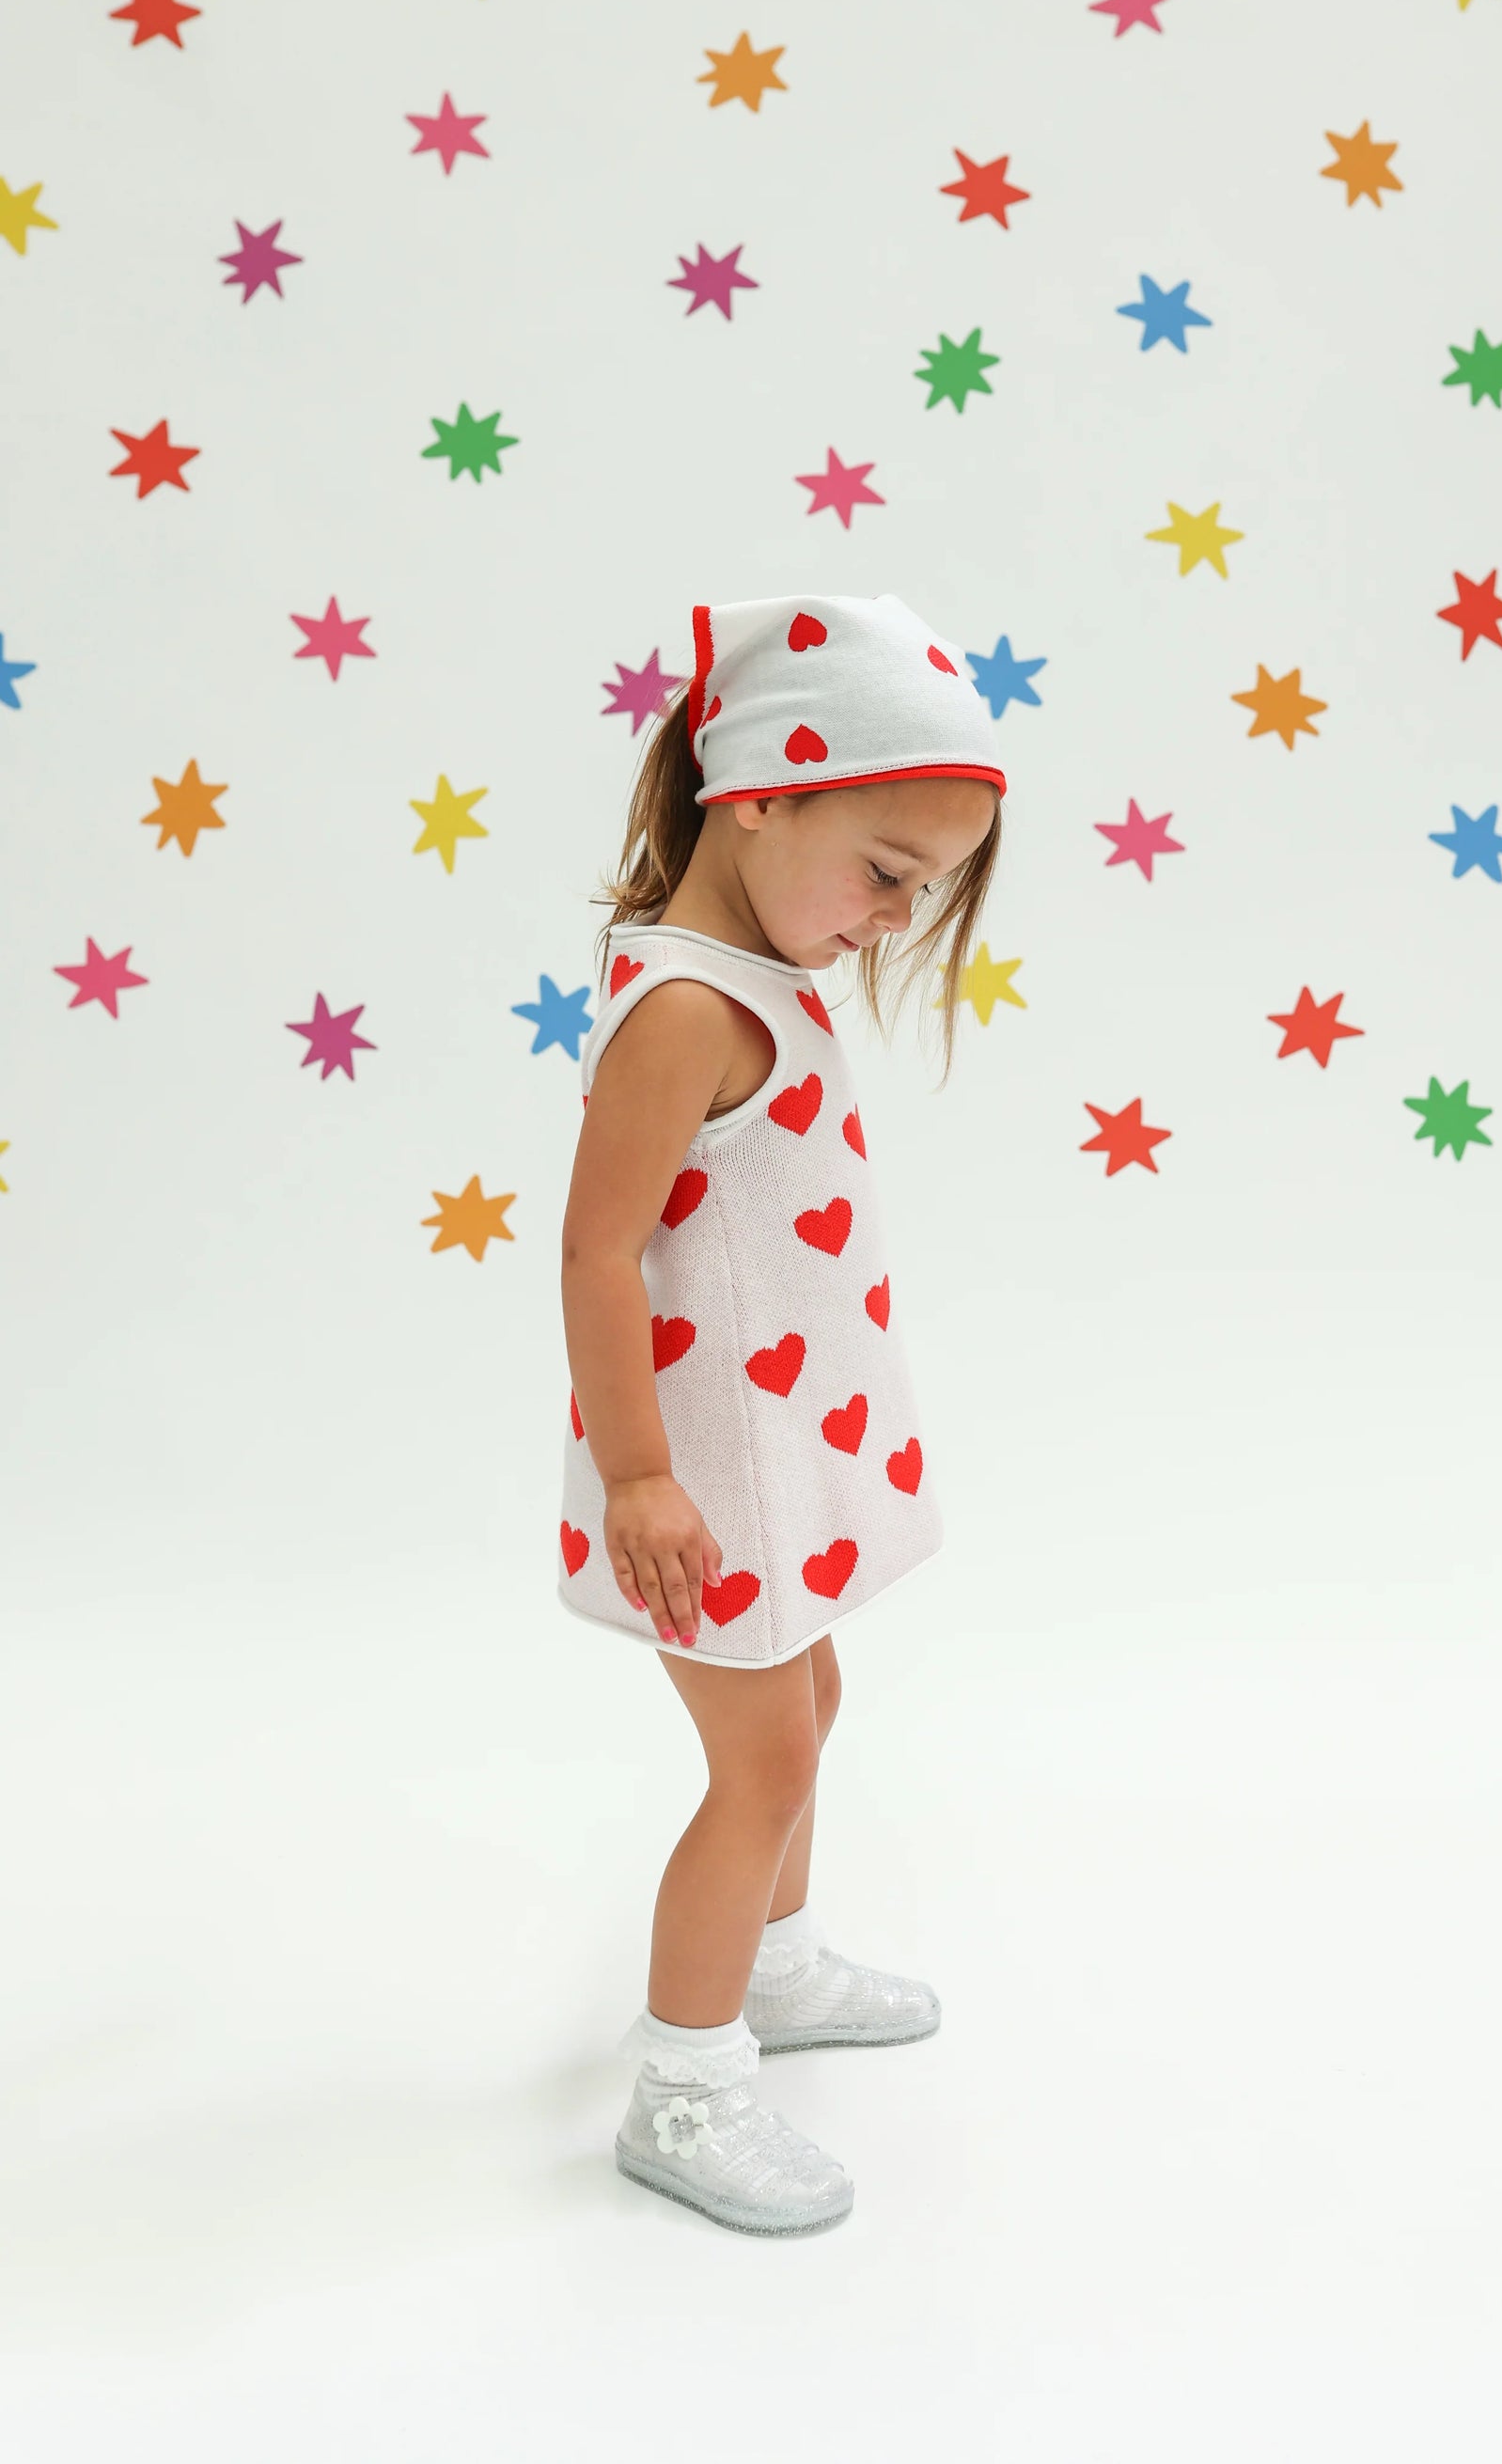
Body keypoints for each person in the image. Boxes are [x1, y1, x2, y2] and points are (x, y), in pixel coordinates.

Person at [558, 591, 1009, 2236]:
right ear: (759, 797)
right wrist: (638, 1478)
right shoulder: (688, 1006)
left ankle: (776, 1963)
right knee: (755, 1765)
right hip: (702, 1474)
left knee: (804, 1708)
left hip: (776, 1445)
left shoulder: (758, 972)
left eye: (924, 890)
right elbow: (596, 1250)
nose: (895, 919)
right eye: (886, 872)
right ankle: (683, 2090)